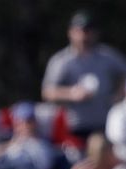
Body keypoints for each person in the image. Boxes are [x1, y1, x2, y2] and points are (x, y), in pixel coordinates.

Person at [42, 10, 126, 143]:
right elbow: (47, 92)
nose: (83, 36)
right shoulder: (61, 61)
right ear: (70, 33)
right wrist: (71, 93)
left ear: (95, 33)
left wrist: (119, 93)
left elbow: (123, 72)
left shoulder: (107, 56)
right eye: (79, 31)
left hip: (104, 125)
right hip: (75, 128)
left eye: (88, 31)